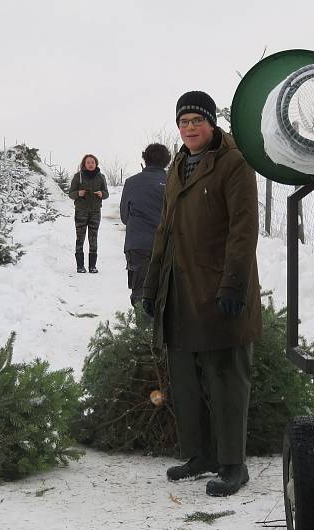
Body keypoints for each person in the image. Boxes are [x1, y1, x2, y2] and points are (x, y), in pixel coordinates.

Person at [142, 91, 262, 497]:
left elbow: (243, 230)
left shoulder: (235, 164)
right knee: (187, 379)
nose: (190, 128)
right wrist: (152, 285)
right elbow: (165, 230)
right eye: (183, 121)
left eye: (197, 120)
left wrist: (233, 284)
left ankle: (233, 463)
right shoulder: (178, 165)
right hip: (179, 291)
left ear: (212, 124)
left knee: (226, 377)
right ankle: (201, 455)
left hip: (219, 290)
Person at [120, 143, 171, 306]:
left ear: (145, 158)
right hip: (167, 245)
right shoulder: (174, 181)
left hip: (137, 245)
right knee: (166, 292)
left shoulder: (131, 182)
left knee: (140, 292)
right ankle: (162, 330)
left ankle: (142, 330)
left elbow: (124, 216)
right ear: (167, 161)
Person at [68, 154, 108, 273]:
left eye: (92, 162)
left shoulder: (101, 177)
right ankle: (80, 266)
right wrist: (78, 193)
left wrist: (102, 194)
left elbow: (106, 193)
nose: (90, 164)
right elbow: (70, 193)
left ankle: (92, 266)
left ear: (96, 164)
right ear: (84, 164)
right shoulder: (78, 176)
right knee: (80, 238)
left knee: (93, 238)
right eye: (88, 162)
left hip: (95, 212)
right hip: (81, 211)